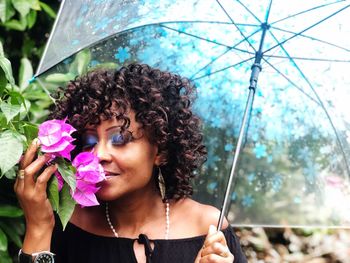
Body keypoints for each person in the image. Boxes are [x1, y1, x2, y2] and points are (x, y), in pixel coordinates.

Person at [14, 63, 246, 263]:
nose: (99, 154)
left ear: (161, 151)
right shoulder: (71, 225)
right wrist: (39, 226)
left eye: (119, 139)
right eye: (89, 141)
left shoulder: (207, 228)